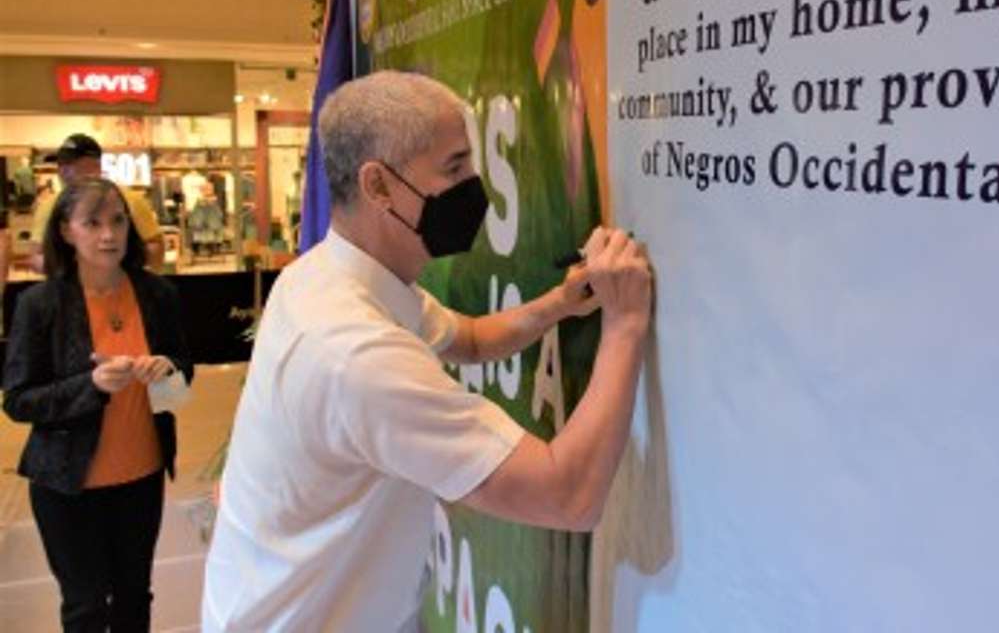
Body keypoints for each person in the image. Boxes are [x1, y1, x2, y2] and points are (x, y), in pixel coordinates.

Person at [202, 71, 652, 631]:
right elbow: (567, 495)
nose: (473, 186)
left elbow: (467, 338)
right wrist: (627, 322)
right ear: (379, 186)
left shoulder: (330, 278)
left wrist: (560, 303)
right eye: (454, 167)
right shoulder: (355, 353)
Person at [2, 178, 194, 632]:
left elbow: (184, 369)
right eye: (93, 223)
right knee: (86, 606)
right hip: (67, 486)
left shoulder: (157, 294)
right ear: (67, 232)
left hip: (141, 479)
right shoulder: (40, 304)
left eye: (118, 221)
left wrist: (166, 367)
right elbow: (18, 399)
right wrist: (90, 385)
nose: (109, 235)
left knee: (134, 597)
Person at [29, 133, 165, 272]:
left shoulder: (130, 200)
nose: (63, 172)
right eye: (62, 166)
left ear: (97, 165)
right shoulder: (48, 206)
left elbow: (155, 246)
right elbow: (36, 256)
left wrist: (125, 269)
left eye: (72, 165)